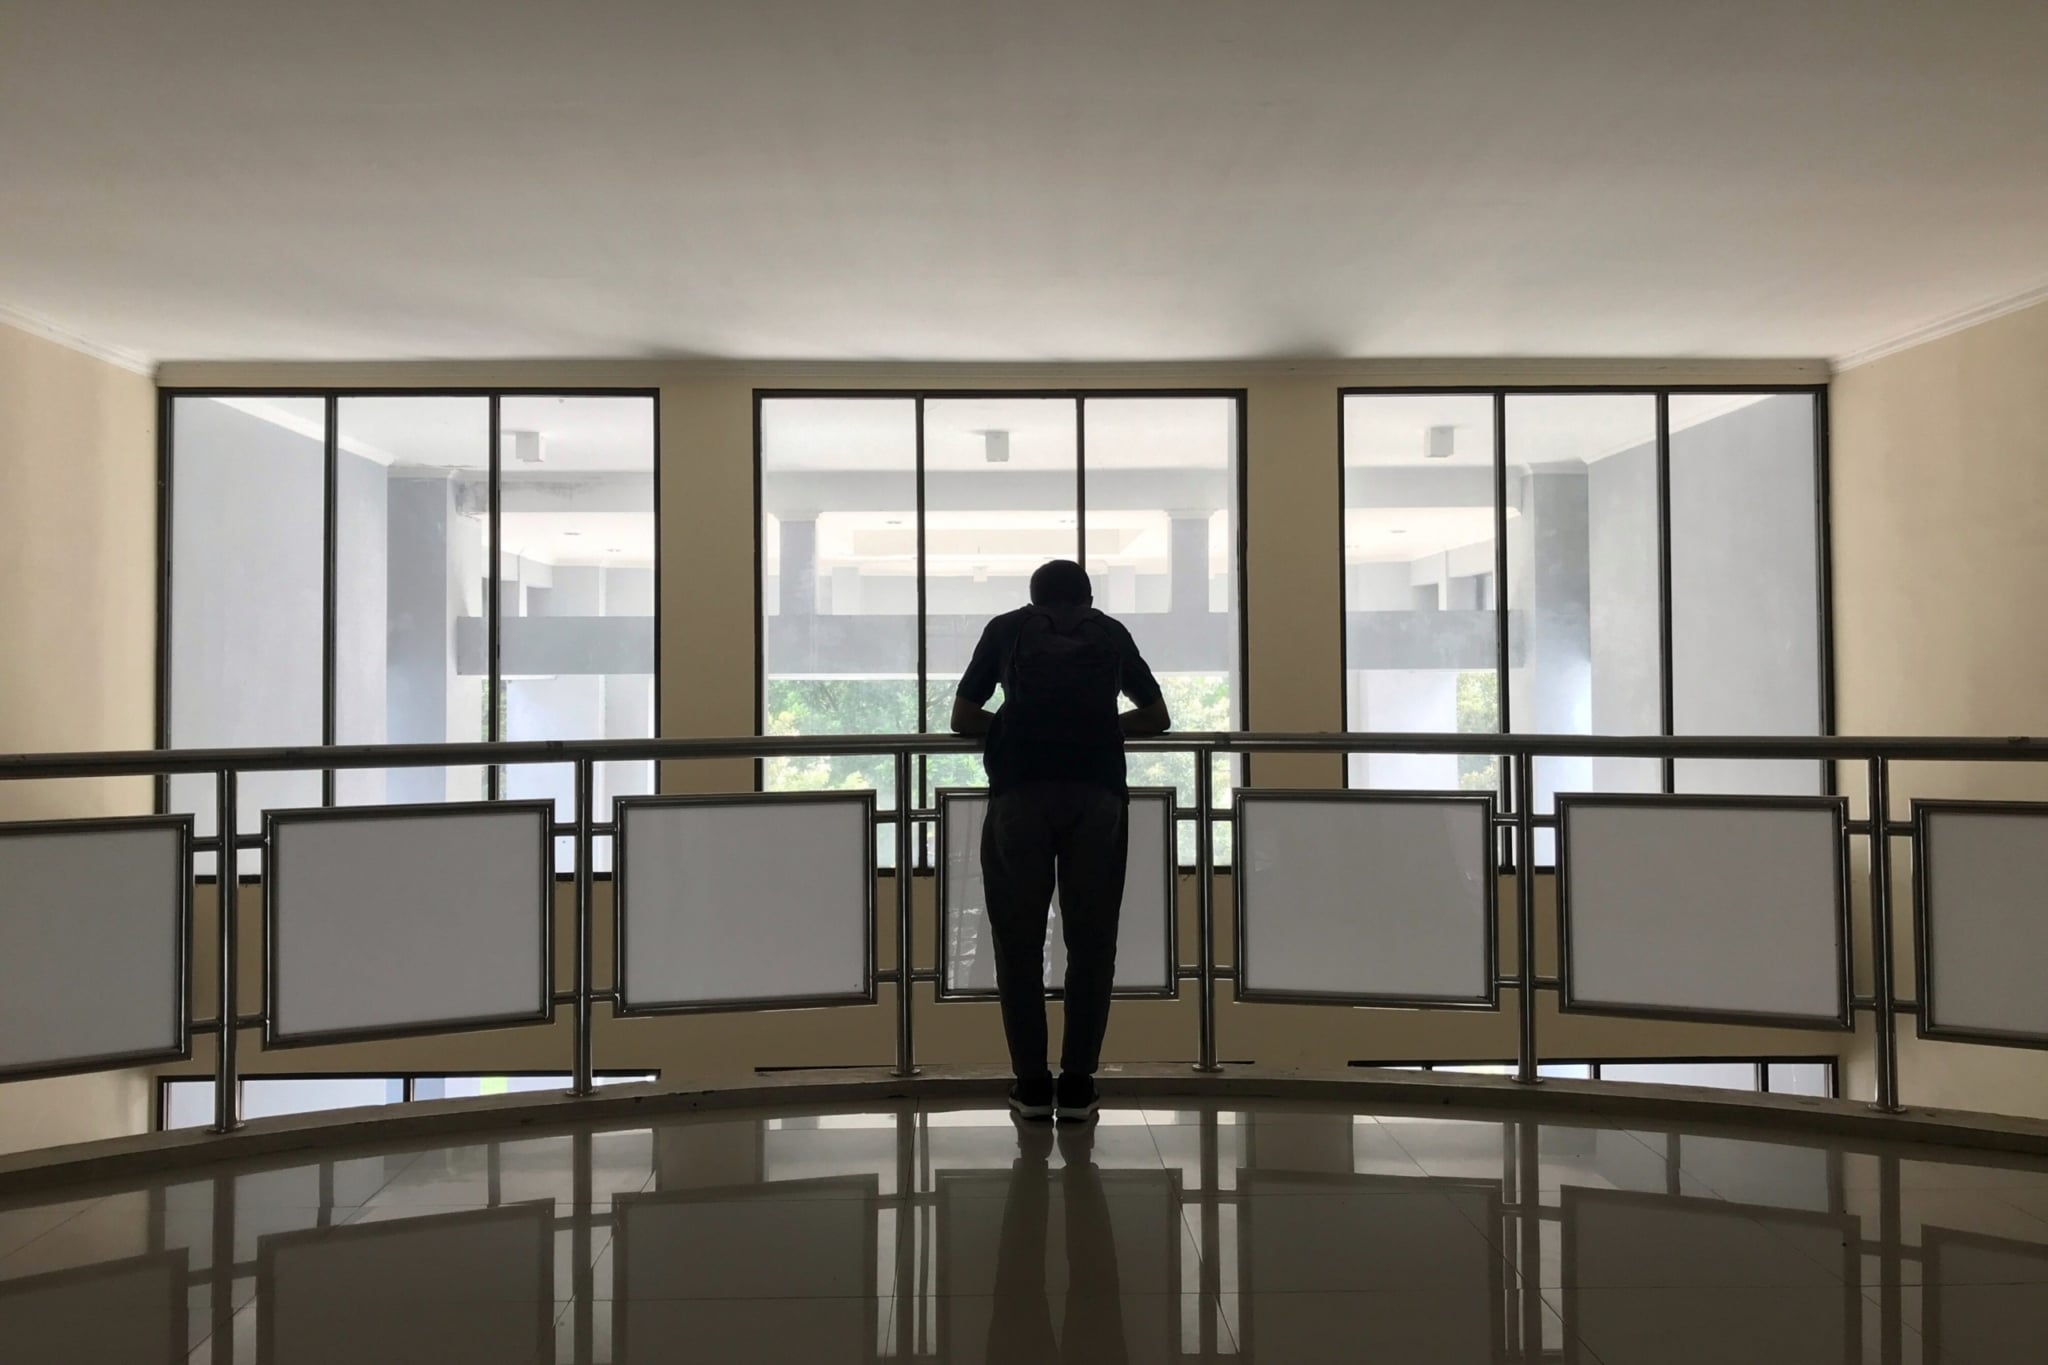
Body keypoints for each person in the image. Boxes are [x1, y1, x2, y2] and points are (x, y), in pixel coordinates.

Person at [950, 559, 1171, 1122]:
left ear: (1033, 598)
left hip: (1019, 794)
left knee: (1017, 940)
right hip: (1098, 794)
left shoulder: (1006, 628)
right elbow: (1157, 716)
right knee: (1092, 940)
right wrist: (1097, 727)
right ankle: (1077, 1086)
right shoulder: (1111, 632)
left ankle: (1029, 1085)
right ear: (1088, 598)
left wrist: (1015, 726)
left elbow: (961, 717)